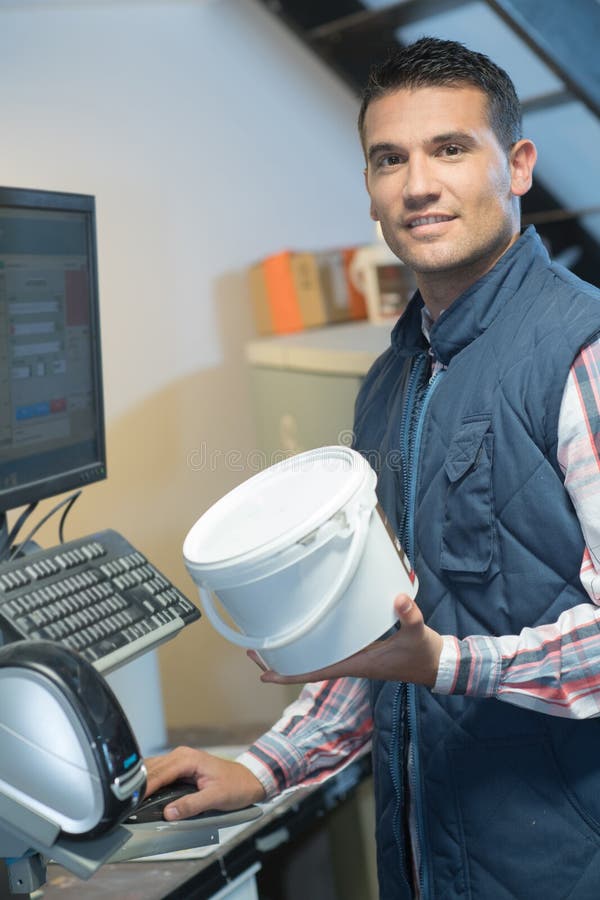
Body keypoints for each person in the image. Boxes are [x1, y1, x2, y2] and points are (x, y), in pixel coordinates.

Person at [145, 37, 600, 899]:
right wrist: (265, 767)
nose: (417, 184)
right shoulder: (392, 382)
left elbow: (431, 657)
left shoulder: (581, 350)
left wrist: (448, 664)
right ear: (369, 189)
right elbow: (379, 642)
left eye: (451, 149)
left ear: (520, 166)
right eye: (389, 159)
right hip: (428, 866)